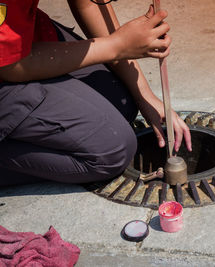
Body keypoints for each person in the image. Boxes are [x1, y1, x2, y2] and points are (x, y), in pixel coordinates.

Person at [0, 0, 192, 186]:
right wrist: (117, 45)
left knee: (121, 101)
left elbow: (87, 3)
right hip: (9, 65)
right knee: (112, 152)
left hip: (24, 35)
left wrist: (145, 95)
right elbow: (11, 66)